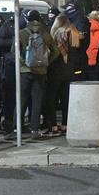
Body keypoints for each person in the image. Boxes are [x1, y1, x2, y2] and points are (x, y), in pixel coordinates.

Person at [16, 10, 59, 140]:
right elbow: (56, 51)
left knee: (21, 100)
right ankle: (35, 129)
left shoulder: (21, 33)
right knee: (37, 101)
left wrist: (23, 63)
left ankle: (16, 127)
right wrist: (45, 62)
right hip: (41, 72)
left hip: (25, 71)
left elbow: (14, 52)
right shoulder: (46, 34)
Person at [45, 14, 81, 134]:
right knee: (66, 99)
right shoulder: (75, 34)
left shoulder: (58, 34)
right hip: (69, 70)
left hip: (56, 70)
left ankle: (54, 125)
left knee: (51, 98)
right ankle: (65, 124)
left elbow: (57, 52)